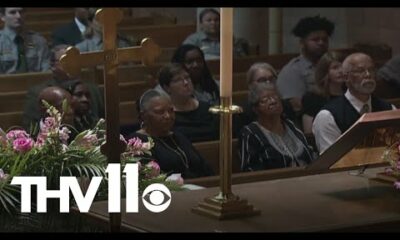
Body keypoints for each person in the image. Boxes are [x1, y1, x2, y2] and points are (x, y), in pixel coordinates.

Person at [312, 53, 395, 154]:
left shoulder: (390, 110)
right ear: (346, 77)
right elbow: (330, 163)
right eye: (360, 71)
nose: (368, 74)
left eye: (372, 69)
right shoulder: (327, 117)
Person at [129, 89, 214, 179]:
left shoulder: (178, 137)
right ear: (143, 116)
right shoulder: (137, 143)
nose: (168, 116)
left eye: (171, 111)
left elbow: (205, 168)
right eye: (160, 112)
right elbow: (148, 179)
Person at [22, 44, 104, 131]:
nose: (73, 66)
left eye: (76, 62)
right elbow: (31, 129)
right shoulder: (39, 93)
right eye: (66, 62)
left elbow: (104, 122)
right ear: (53, 66)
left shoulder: (93, 90)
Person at [239, 82, 314, 172]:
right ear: (256, 109)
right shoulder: (251, 133)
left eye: (275, 97)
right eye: (265, 100)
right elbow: (250, 170)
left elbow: (310, 155)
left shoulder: (290, 125)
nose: (273, 101)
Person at [276, 15, 335, 116]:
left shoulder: (332, 65)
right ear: (302, 43)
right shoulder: (292, 70)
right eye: (315, 40)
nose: (321, 43)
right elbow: (295, 107)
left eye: (325, 40)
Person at [158, 63, 219, 142]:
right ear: (166, 88)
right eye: (178, 80)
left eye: (187, 77)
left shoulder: (209, 109)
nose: (186, 83)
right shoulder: (167, 117)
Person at [233, 62, 296, 137]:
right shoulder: (242, 112)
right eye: (262, 80)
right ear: (250, 85)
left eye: (271, 79)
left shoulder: (285, 105)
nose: (268, 83)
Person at [302, 51, 346, 134]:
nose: (341, 71)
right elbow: (308, 132)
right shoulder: (312, 97)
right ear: (325, 72)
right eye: (335, 68)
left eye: (343, 66)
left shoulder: (350, 94)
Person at [182, 8, 248, 60]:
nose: (213, 23)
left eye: (216, 20)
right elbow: (184, 57)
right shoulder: (193, 39)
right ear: (201, 24)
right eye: (209, 20)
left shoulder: (228, 37)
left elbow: (241, 58)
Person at [0, 7, 50, 74]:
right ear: (2, 16)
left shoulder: (39, 41)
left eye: (21, 12)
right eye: (12, 12)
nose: (18, 16)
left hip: (35, 83)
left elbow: (46, 71)